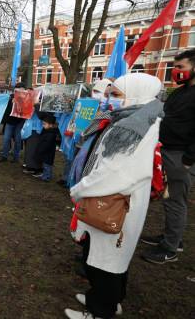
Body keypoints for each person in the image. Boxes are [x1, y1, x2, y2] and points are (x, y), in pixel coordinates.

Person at [65, 73, 164, 319]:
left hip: (113, 202)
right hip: (120, 201)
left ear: (137, 94)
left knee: (103, 261)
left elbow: (111, 172)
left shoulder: (132, 128)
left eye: (117, 94)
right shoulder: (142, 117)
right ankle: (108, 300)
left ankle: (100, 312)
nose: (111, 99)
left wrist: (79, 190)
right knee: (112, 259)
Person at [141, 49, 195, 264]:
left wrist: (188, 159)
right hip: (168, 151)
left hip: (180, 157)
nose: (176, 71)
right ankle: (172, 236)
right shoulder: (181, 92)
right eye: (175, 67)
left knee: (174, 200)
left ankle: (170, 248)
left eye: (181, 67)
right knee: (168, 199)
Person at [0, 82, 26, 163]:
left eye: (22, 90)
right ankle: (4, 156)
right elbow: (6, 110)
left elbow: (27, 111)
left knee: (18, 140)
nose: (20, 92)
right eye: (18, 90)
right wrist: (11, 102)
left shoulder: (27, 98)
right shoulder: (10, 97)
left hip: (20, 122)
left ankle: (16, 157)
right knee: (6, 139)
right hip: (10, 122)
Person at [32, 114, 60, 182]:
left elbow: (46, 144)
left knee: (47, 165)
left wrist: (40, 150)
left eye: (44, 124)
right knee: (45, 165)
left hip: (48, 153)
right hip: (46, 153)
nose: (43, 125)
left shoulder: (51, 134)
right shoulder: (47, 131)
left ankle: (47, 177)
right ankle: (45, 175)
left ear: (50, 125)